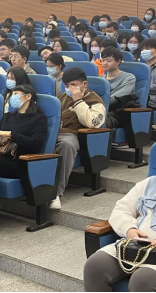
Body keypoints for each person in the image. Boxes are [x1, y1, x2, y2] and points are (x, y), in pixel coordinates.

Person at [84, 140, 156, 292]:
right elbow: (121, 210)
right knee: (95, 265)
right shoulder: (149, 183)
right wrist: (129, 229)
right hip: (134, 246)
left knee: (143, 281)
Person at [53, 68, 106, 210]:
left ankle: (57, 193)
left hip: (73, 135)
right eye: (67, 85)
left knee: (67, 144)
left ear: (84, 84)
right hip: (54, 133)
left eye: (73, 85)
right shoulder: (61, 97)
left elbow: (92, 122)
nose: (70, 89)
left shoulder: (94, 100)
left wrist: (78, 101)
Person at [0, 84, 48, 179]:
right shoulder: (8, 116)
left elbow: (36, 143)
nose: (12, 97)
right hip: (0, 154)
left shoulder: (39, 119)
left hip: (19, 162)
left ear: (28, 96)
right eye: (12, 94)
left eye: (16, 94)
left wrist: (10, 134)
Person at [101, 47, 137, 129]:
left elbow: (116, 97)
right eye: (103, 60)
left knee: (96, 122)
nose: (104, 63)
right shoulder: (101, 80)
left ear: (118, 61)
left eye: (108, 61)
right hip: (100, 110)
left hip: (117, 113)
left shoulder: (129, 78)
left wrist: (96, 104)